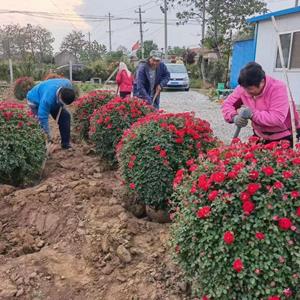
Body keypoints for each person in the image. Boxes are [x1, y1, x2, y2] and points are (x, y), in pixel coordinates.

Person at [222, 62, 300, 144]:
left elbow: (277, 118)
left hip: (284, 135)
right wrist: (234, 117)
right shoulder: (244, 87)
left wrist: (252, 114)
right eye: (244, 88)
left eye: (250, 89)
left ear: (262, 82)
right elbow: (227, 104)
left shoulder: (278, 89)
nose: (246, 92)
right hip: (260, 134)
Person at [27, 78, 76, 150]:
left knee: (65, 116)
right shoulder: (47, 99)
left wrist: (61, 104)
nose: (63, 104)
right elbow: (42, 117)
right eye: (62, 103)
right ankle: (42, 147)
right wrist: (48, 136)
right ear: (59, 96)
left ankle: (65, 144)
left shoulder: (68, 85)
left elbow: (63, 101)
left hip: (54, 100)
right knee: (39, 124)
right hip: (35, 100)